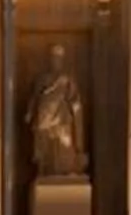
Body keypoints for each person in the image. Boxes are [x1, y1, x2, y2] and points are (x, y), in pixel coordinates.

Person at [24, 43, 89, 178]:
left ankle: (65, 170)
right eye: (53, 58)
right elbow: (35, 97)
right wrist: (30, 112)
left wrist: (76, 111)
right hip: (45, 117)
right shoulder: (42, 79)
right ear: (50, 60)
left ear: (62, 60)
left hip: (62, 117)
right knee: (46, 147)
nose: (56, 61)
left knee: (64, 146)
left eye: (58, 58)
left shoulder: (67, 79)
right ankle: (45, 171)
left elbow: (74, 99)